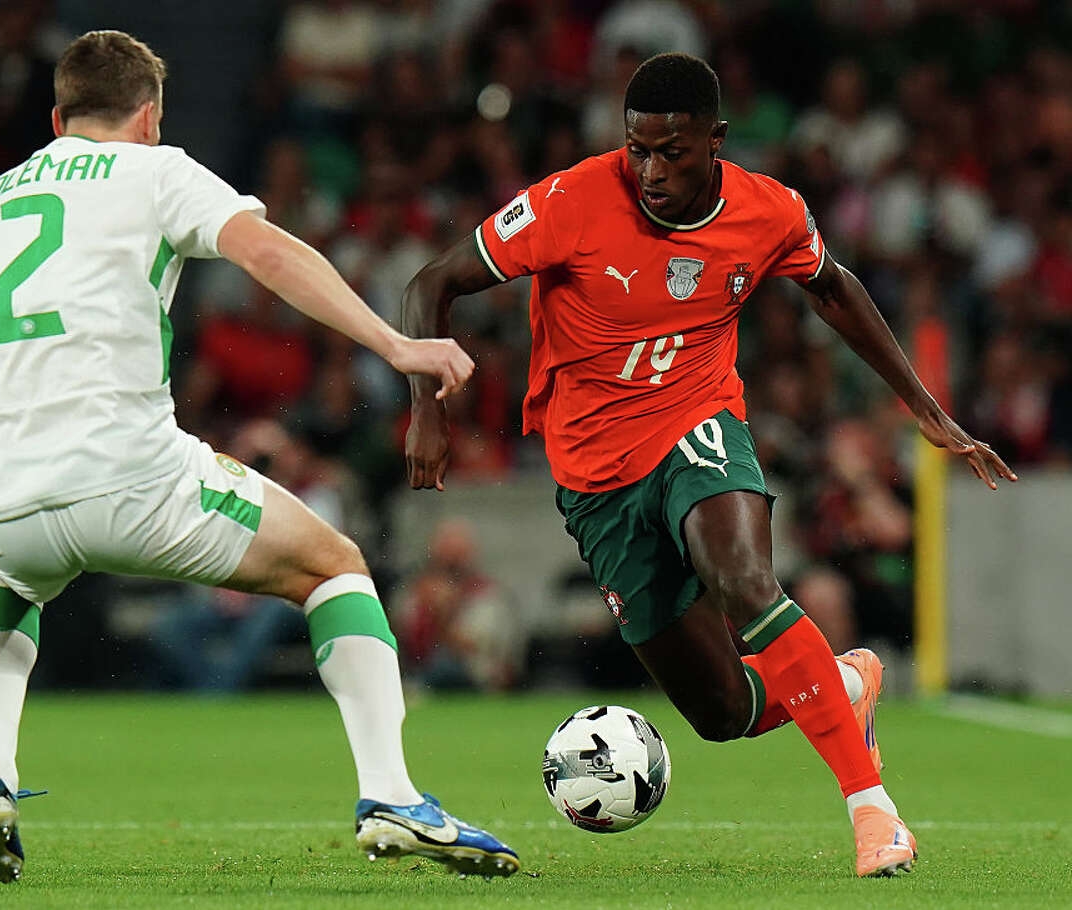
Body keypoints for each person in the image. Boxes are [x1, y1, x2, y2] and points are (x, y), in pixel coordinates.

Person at [0, 30, 518, 884]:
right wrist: (397, 345)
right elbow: (270, 252)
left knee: (8, 581)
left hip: (1, 498)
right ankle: (391, 795)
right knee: (334, 568)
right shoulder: (157, 170)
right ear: (149, 117)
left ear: (57, 118)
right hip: (133, 478)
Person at [402, 53, 1017, 878]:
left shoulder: (770, 211)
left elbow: (833, 288)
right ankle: (843, 687)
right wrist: (426, 408)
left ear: (715, 140)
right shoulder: (570, 201)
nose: (651, 172)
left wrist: (926, 408)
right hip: (595, 478)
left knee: (744, 581)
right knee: (724, 711)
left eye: (673, 152)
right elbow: (430, 284)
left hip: (696, 423)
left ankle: (874, 813)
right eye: (638, 150)